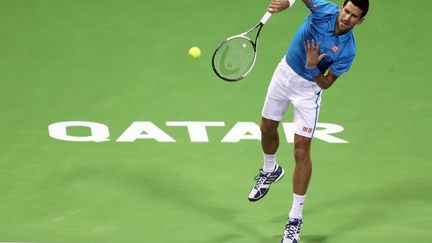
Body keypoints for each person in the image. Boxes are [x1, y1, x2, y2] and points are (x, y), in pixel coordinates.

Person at [247, 0, 369, 242]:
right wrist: (288, 3)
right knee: (266, 129)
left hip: (308, 91)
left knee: (301, 152)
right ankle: (270, 169)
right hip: (284, 74)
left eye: (353, 16)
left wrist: (314, 68)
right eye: (346, 11)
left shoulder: (348, 50)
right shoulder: (324, 9)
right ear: (341, 7)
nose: (346, 18)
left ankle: (295, 220)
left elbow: (326, 83)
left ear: (360, 20)